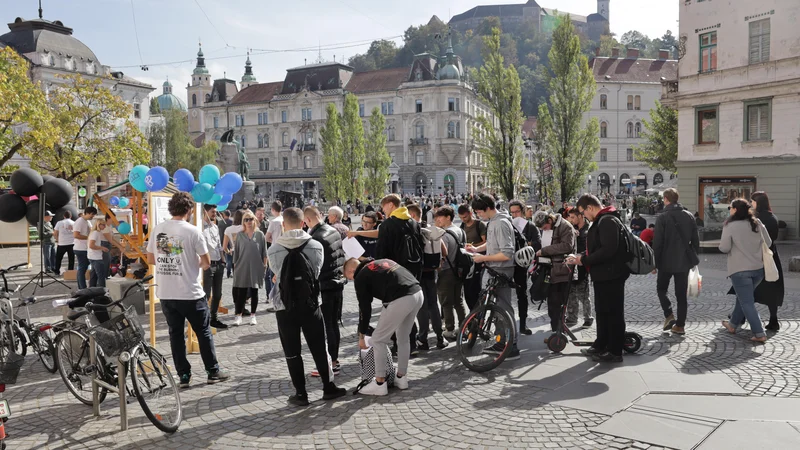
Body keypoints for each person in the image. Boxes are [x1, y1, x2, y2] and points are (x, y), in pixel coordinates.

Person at [146, 192, 229, 387]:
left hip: (166, 292)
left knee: (175, 334)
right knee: (203, 331)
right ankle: (212, 371)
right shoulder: (193, 231)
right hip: (189, 292)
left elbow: (150, 259)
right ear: (190, 210)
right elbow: (206, 262)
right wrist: (191, 265)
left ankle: (183, 375)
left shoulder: (158, 229)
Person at [267, 207, 346, 406]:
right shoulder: (315, 246)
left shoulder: (273, 249)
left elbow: (277, 277)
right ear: (303, 223)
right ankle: (328, 387)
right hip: (311, 303)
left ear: (283, 224)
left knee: (292, 351)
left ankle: (300, 393)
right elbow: (316, 273)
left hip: (285, 306)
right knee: (319, 346)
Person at [345, 257, 424, 396]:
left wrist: (361, 335)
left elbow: (365, 309)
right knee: (403, 336)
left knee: (377, 340)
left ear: (352, 271)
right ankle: (401, 378)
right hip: (417, 292)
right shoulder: (379, 262)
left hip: (402, 298)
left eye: (349, 277)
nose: (352, 280)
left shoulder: (361, 277)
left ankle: (380, 383)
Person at [568, 194, 629, 363]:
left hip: (612, 275)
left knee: (613, 313)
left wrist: (584, 260)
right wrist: (580, 256)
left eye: (583, 212)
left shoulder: (607, 221)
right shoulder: (602, 220)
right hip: (603, 275)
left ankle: (615, 351)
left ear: (590, 208)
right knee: (602, 312)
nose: (583, 216)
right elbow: (597, 248)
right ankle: (601, 343)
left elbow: (608, 250)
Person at [466, 194, 520, 360]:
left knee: (503, 308)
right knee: (497, 309)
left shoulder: (500, 223)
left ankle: (510, 345)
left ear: (487, 208)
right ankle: (502, 341)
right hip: (495, 269)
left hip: (501, 270)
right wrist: (476, 249)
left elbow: (506, 253)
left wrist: (483, 258)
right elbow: (492, 245)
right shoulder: (494, 222)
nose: (477, 215)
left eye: (478, 212)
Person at [376, 194, 423, 355]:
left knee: (395, 311)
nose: (383, 211)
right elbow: (421, 248)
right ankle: (412, 343)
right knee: (409, 310)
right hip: (413, 273)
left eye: (383, 207)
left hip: (394, 274)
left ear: (390, 205)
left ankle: (399, 346)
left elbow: (381, 255)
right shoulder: (414, 223)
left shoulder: (387, 225)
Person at [720, 199, 771, 343]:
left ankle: (759, 332)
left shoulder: (730, 225)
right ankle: (732, 324)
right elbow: (768, 242)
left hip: (739, 269)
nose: (729, 209)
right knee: (743, 298)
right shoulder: (757, 223)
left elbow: (724, 248)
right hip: (758, 269)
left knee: (747, 301)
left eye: (730, 207)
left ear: (735, 209)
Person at [304, 206, 346, 376]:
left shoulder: (316, 237)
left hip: (326, 285)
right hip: (337, 282)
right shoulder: (333, 230)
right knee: (334, 323)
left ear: (307, 221)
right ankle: (334, 360)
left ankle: (330, 363)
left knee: (327, 325)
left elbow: (314, 266)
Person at [652, 188, 700, 335]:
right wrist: (691, 257)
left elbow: (657, 243)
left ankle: (669, 314)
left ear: (666, 199)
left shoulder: (662, 217)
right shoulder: (689, 216)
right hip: (683, 262)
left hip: (665, 262)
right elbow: (696, 241)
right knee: (681, 295)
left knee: (661, 289)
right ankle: (680, 326)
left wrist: (654, 263)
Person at [406, 204, 447, 350]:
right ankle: (440, 337)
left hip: (419, 273)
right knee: (433, 305)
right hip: (432, 272)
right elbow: (445, 251)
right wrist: (439, 263)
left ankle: (423, 339)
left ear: (412, 215)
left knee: (422, 308)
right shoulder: (431, 229)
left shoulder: (414, 231)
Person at [533, 210, 576, 336]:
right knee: (552, 303)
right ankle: (556, 331)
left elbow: (567, 246)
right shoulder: (548, 227)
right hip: (550, 270)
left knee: (557, 303)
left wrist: (545, 251)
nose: (544, 230)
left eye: (545, 227)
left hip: (561, 271)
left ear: (550, 220)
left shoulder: (565, 226)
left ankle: (558, 333)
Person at [751, 192, 784, 331]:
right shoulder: (773, 217)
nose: (751, 203)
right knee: (772, 288)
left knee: (747, 286)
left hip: (758, 256)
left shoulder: (756, 219)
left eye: (752, 201)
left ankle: (739, 316)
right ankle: (773, 319)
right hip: (771, 255)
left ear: (757, 202)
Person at [434, 205, 467, 343]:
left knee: (446, 302)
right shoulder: (460, 230)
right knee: (459, 301)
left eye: (440, 217)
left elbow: (441, 255)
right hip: (459, 270)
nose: (437, 219)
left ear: (448, 217)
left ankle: (449, 329)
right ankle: (464, 326)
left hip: (446, 271)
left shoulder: (445, 234)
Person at [509, 200, 542, 335]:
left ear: (522, 212)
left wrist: (527, 244)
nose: (515, 215)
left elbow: (537, 245)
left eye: (517, 212)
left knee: (521, 295)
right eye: (512, 212)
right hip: (508, 263)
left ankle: (523, 324)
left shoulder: (530, 226)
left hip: (521, 266)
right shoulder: (509, 224)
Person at [232, 211, 267, 326]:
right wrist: (235, 265)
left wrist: (264, 265)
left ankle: (253, 315)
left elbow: (264, 252)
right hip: (242, 266)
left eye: (250, 219)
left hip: (256, 266)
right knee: (241, 292)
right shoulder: (240, 235)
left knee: (254, 291)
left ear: (254, 220)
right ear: (243, 222)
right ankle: (238, 315)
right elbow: (236, 252)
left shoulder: (260, 235)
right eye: (246, 219)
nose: (248, 222)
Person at [566, 208, 593, 328]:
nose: (571, 220)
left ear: (580, 216)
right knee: (571, 293)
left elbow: (589, 249)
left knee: (583, 294)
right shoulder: (572, 228)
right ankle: (572, 317)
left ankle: (588, 317)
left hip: (582, 266)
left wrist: (579, 257)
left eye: (573, 217)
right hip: (571, 266)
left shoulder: (589, 230)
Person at [202, 204, 228, 329]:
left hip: (218, 263)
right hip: (207, 264)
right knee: (206, 294)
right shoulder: (199, 227)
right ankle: (204, 320)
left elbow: (219, 245)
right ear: (205, 212)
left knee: (217, 294)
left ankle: (214, 318)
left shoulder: (215, 227)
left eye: (216, 212)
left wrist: (223, 261)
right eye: (212, 212)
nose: (215, 214)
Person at [458, 204, 487, 311]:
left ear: (470, 213)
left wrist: (473, 246)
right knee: (468, 292)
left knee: (476, 290)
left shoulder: (480, 225)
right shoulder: (462, 226)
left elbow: (486, 242)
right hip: (468, 263)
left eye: (465, 217)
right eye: (460, 217)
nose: (463, 219)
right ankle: (472, 315)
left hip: (479, 262)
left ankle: (478, 315)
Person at [73, 206, 97, 290]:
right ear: (88, 213)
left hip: (84, 248)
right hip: (80, 248)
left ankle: (82, 287)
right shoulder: (80, 222)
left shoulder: (86, 221)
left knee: (83, 268)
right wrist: (88, 237)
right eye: (92, 215)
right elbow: (76, 235)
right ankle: (82, 288)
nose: (92, 217)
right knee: (82, 268)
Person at [265, 201, 284, 294]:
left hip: (275, 249)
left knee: (272, 275)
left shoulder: (274, 221)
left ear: (272, 210)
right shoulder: (284, 219)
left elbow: (267, 237)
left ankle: (274, 298)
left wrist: (272, 240)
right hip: (284, 248)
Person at [87, 217, 110, 287]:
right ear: (99, 225)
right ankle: (102, 291)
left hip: (92, 256)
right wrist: (102, 248)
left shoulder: (95, 233)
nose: (104, 226)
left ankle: (92, 289)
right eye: (103, 225)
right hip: (96, 257)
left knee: (93, 275)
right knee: (101, 276)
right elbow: (91, 245)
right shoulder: (95, 233)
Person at [54, 210, 75, 276]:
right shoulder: (74, 223)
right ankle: (70, 272)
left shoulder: (59, 223)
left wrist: (57, 240)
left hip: (62, 243)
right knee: (71, 259)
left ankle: (57, 271)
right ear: (71, 216)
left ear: (64, 216)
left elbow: (55, 232)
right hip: (71, 243)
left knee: (58, 258)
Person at [219, 211, 234, 278]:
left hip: (223, 241)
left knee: (227, 257)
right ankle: (232, 271)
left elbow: (219, 233)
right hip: (231, 241)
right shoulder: (232, 222)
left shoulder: (220, 222)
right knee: (231, 257)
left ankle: (228, 271)